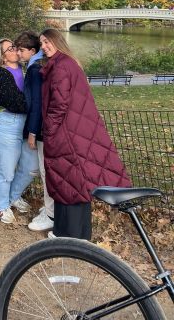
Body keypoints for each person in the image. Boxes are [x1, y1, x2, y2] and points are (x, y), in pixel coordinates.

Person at [39, 28, 131, 241]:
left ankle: (68, 233)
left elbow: (59, 105)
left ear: (57, 41)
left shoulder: (61, 67)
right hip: (75, 131)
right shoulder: (68, 63)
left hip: (66, 133)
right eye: (42, 43)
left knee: (68, 180)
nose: (44, 46)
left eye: (47, 41)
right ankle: (76, 232)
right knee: (73, 180)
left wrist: (49, 131)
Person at [0, 38, 32, 224]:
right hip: (6, 124)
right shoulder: (1, 74)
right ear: (3, 56)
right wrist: (37, 105)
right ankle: (1, 206)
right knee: (6, 171)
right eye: (11, 48)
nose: (16, 50)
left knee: (31, 167)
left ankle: (13, 197)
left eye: (15, 46)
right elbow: (15, 103)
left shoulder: (25, 70)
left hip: (24, 124)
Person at [15, 31, 54, 232]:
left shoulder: (34, 69)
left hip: (41, 129)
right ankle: (50, 210)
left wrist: (32, 131)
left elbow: (37, 102)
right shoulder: (42, 64)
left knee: (45, 170)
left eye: (21, 50)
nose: (18, 54)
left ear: (32, 51)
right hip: (49, 127)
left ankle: (50, 214)